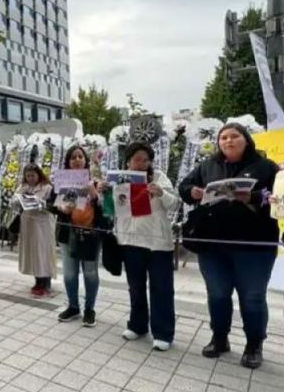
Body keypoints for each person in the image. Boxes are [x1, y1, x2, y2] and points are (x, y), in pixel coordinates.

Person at [179, 122, 279, 369]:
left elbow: (282, 198)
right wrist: (192, 192)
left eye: (234, 136)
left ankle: (254, 344)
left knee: (253, 297)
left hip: (255, 245)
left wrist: (254, 197)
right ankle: (219, 338)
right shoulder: (207, 165)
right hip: (213, 244)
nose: (228, 141)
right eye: (223, 137)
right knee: (218, 294)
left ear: (247, 140)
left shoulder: (266, 167)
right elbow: (184, 187)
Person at [114, 142, 180, 351]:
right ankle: (137, 325)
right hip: (129, 240)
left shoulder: (159, 177)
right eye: (137, 159)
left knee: (161, 288)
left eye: (145, 159)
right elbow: (111, 208)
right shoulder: (118, 178)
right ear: (128, 161)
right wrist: (105, 192)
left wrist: (161, 193)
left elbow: (175, 203)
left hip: (156, 242)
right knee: (136, 286)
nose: (141, 163)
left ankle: (163, 332)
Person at [51, 146, 104, 327]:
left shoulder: (95, 180)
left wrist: (94, 194)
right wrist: (60, 207)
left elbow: (106, 208)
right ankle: (73, 306)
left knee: (90, 273)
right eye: (73, 157)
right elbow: (53, 202)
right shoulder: (62, 180)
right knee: (69, 274)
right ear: (68, 161)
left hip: (91, 234)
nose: (77, 160)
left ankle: (90, 309)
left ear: (85, 160)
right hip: (68, 233)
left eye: (80, 156)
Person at [15, 164, 56, 296]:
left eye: (33, 175)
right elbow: (13, 201)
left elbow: (53, 206)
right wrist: (19, 199)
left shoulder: (48, 188)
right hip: (28, 224)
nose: (30, 178)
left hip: (42, 225)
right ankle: (38, 280)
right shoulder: (23, 187)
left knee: (42, 252)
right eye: (28, 176)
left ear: (39, 174)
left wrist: (39, 202)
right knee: (32, 253)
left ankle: (45, 281)